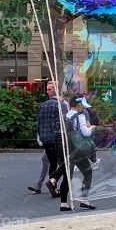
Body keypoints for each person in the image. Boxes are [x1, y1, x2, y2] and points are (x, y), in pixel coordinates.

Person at [36, 81, 73, 211]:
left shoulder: (43, 105)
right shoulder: (61, 105)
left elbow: (39, 122)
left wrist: (40, 136)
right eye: (47, 89)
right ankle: (54, 181)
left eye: (50, 89)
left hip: (45, 138)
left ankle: (54, 186)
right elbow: (65, 121)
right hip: (57, 137)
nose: (48, 91)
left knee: (52, 162)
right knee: (64, 162)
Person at [65, 97, 97, 210]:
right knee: (88, 173)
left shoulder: (67, 115)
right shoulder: (80, 116)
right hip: (78, 149)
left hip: (68, 148)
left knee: (68, 176)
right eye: (82, 105)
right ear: (78, 105)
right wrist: (92, 128)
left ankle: (67, 202)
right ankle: (84, 199)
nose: (83, 107)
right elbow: (85, 132)